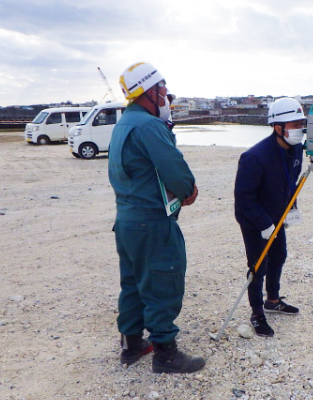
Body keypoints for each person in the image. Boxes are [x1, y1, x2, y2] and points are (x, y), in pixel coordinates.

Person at [108, 62, 204, 373]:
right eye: (164, 89)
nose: (167, 96)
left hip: (126, 219)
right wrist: (188, 189)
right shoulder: (149, 126)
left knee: (133, 282)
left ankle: (132, 344)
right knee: (164, 279)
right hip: (151, 221)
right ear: (151, 91)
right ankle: (165, 352)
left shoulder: (124, 124)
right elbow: (173, 167)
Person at [234, 97, 306, 337]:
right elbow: (244, 199)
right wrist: (264, 224)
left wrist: (292, 208)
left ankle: (272, 301)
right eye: (294, 124)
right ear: (278, 128)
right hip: (254, 219)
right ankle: (257, 313)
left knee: (279, 256)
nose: (300, 129)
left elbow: (291, 183)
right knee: (258, 265)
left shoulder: (296, 149)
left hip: (278, 215)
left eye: (301, 123)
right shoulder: (254, 157)